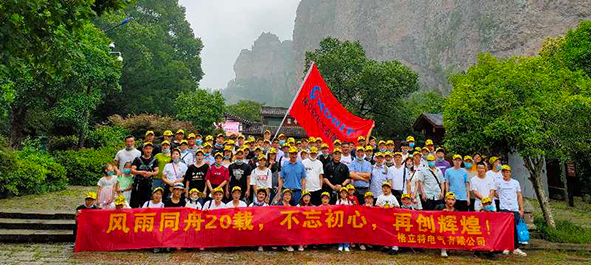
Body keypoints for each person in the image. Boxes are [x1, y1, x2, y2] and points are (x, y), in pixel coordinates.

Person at [495, 165, 527, 257]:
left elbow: (519, 195)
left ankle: (515, 247)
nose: (506, 173)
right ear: (502, 173)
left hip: (514, 209)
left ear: (510, 172)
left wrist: (521, 209)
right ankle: (506, 247)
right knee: (505, 229)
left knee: (514, 229)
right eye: (504, 172)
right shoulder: (498, 182)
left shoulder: (515, 182)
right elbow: (494, 192)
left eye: (507, 172)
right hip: (504, 209)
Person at [130, 142, 159, 208]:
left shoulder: (154, 160)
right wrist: (140, 172)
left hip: (148, 185)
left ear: (152, 150)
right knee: (135, 203)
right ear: (143, 149)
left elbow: (157, 171)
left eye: (150, 149)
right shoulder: (137, 159)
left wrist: (150, 173)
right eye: (146, 148)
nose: (148, 150)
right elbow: (132, 170)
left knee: (146, 203)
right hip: (138, 184)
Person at [375, 182, 400, 255]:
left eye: (387, 188)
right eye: (384, 187)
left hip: (391, 219)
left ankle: (395, 247)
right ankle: (386, 246)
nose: (385, 189)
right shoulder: (380, 197)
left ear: (390, 189)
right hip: (382, 218)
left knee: (392, 232)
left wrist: (392, 208)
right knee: (384, 232)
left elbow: (398, 207)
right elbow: (376, 207)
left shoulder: (393, 197)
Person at [440, 192, 457, 258]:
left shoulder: (456, 211)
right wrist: (441, 213)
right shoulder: (440, 207)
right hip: (440, 228)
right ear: (445, 200)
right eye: (449, 199)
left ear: (455, 201)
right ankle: (443, 249)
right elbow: (432, 217)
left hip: (452, 229)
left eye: (452, 200)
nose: (450, 201)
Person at [336, 187, 352, 252]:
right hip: (340, 219)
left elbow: (352, 209)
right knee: (340, 232)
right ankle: (340, 245)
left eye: (345, 193)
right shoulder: (338, 201)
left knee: (347, 232)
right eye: (342, 193)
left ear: (347, 194)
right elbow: (335, 209)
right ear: (340, 194)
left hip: (347, 219)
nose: (343, 194)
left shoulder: (349, 201)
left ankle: (346, 245)